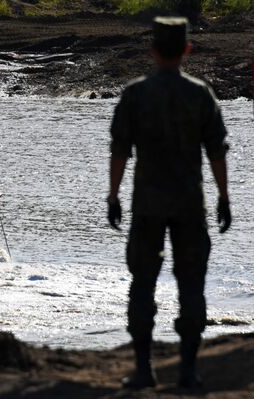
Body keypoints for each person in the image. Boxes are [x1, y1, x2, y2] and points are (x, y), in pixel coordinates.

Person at [107, 17, 231, 389]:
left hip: (147, 205)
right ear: (187, 51)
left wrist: (113, 196)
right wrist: (225, 197)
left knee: (142, 284)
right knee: (192, 285)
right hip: (191, 204)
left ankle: (144, 371)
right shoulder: (200, 94)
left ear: (152, 50)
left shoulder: (135, 94)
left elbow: (119, 151)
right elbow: (216, 152)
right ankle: (189, 372)